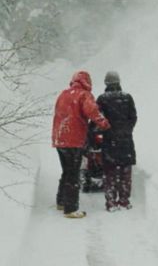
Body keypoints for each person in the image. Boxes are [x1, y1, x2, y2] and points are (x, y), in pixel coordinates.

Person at [52, 71, 110, 218]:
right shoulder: (83, 95)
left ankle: (61, 201)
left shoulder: (63, 94)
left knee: (66, 171)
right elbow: (92, 111)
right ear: (87, 82)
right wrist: (104, 124)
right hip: (74, 139)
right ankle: (70, 209)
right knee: (73, 174)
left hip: (60, 138)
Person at [96, 71, 137, 212]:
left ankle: (111, 203)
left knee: (110, 173)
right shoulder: (127, 97)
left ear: (106, 83)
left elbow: (98, 120)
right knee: (125, 173)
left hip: (109, 141)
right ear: (119, 82)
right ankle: (124, 201)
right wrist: (126, 131)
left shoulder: (102, 99)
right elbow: (133, 118)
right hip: (126, 141)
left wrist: (105, 132)